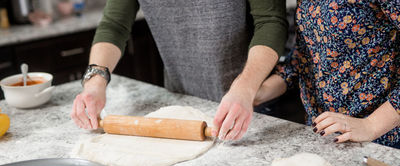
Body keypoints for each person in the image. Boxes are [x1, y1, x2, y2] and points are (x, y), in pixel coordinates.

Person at [71, 0, 288, 141]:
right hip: (182, 100)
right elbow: (114, 25)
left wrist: (245, 88)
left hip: (252, 103)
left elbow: (270, 22)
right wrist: (95, 81)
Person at [254, 0, 400, 148]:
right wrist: (256, 93)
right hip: (322, 135)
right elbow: (305, 58)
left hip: (382, 141)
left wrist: (371, 125)